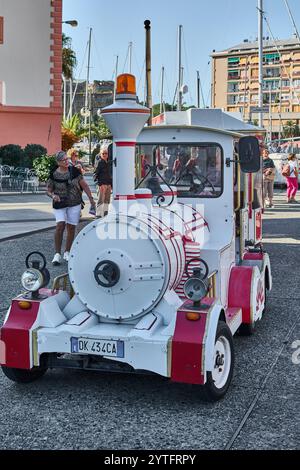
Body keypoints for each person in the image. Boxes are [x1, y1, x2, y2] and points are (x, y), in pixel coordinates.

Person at [47, 151, 96, 265]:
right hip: (59, 204)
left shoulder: (74, 171)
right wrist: (53, 195)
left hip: (74, 203)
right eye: (63, 160)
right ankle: (57, 254)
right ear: (58, 162)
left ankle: (67, 252)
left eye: (67, 159)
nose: (66, 161)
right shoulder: (53, 174)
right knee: (60, 225)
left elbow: (85, 185)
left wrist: (91, 199)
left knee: (71, 227)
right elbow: (48, 191)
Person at [94, 145, 112, 217]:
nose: (104, 155)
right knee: (101, 200)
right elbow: (95, 173)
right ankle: (98, 215)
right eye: (103, 153)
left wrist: (111, 185)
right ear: (100, 154)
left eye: (106, 153)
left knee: (107, 200)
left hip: (108, 184)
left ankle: (105, 214)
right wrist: (99, 184)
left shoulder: (109, 162)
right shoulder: (99, 162)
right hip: (102, 184)